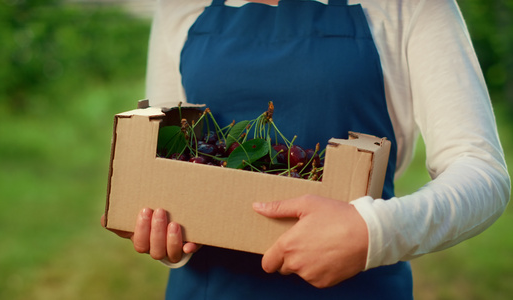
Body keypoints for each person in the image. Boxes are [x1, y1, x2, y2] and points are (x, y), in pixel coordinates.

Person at [102, 0, 511, 299]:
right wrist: (168, 234)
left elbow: (480, 169)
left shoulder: (410, 6)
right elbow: (170, 159)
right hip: (210, 288)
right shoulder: (182, 8)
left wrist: (373, 231)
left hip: (358, 288)